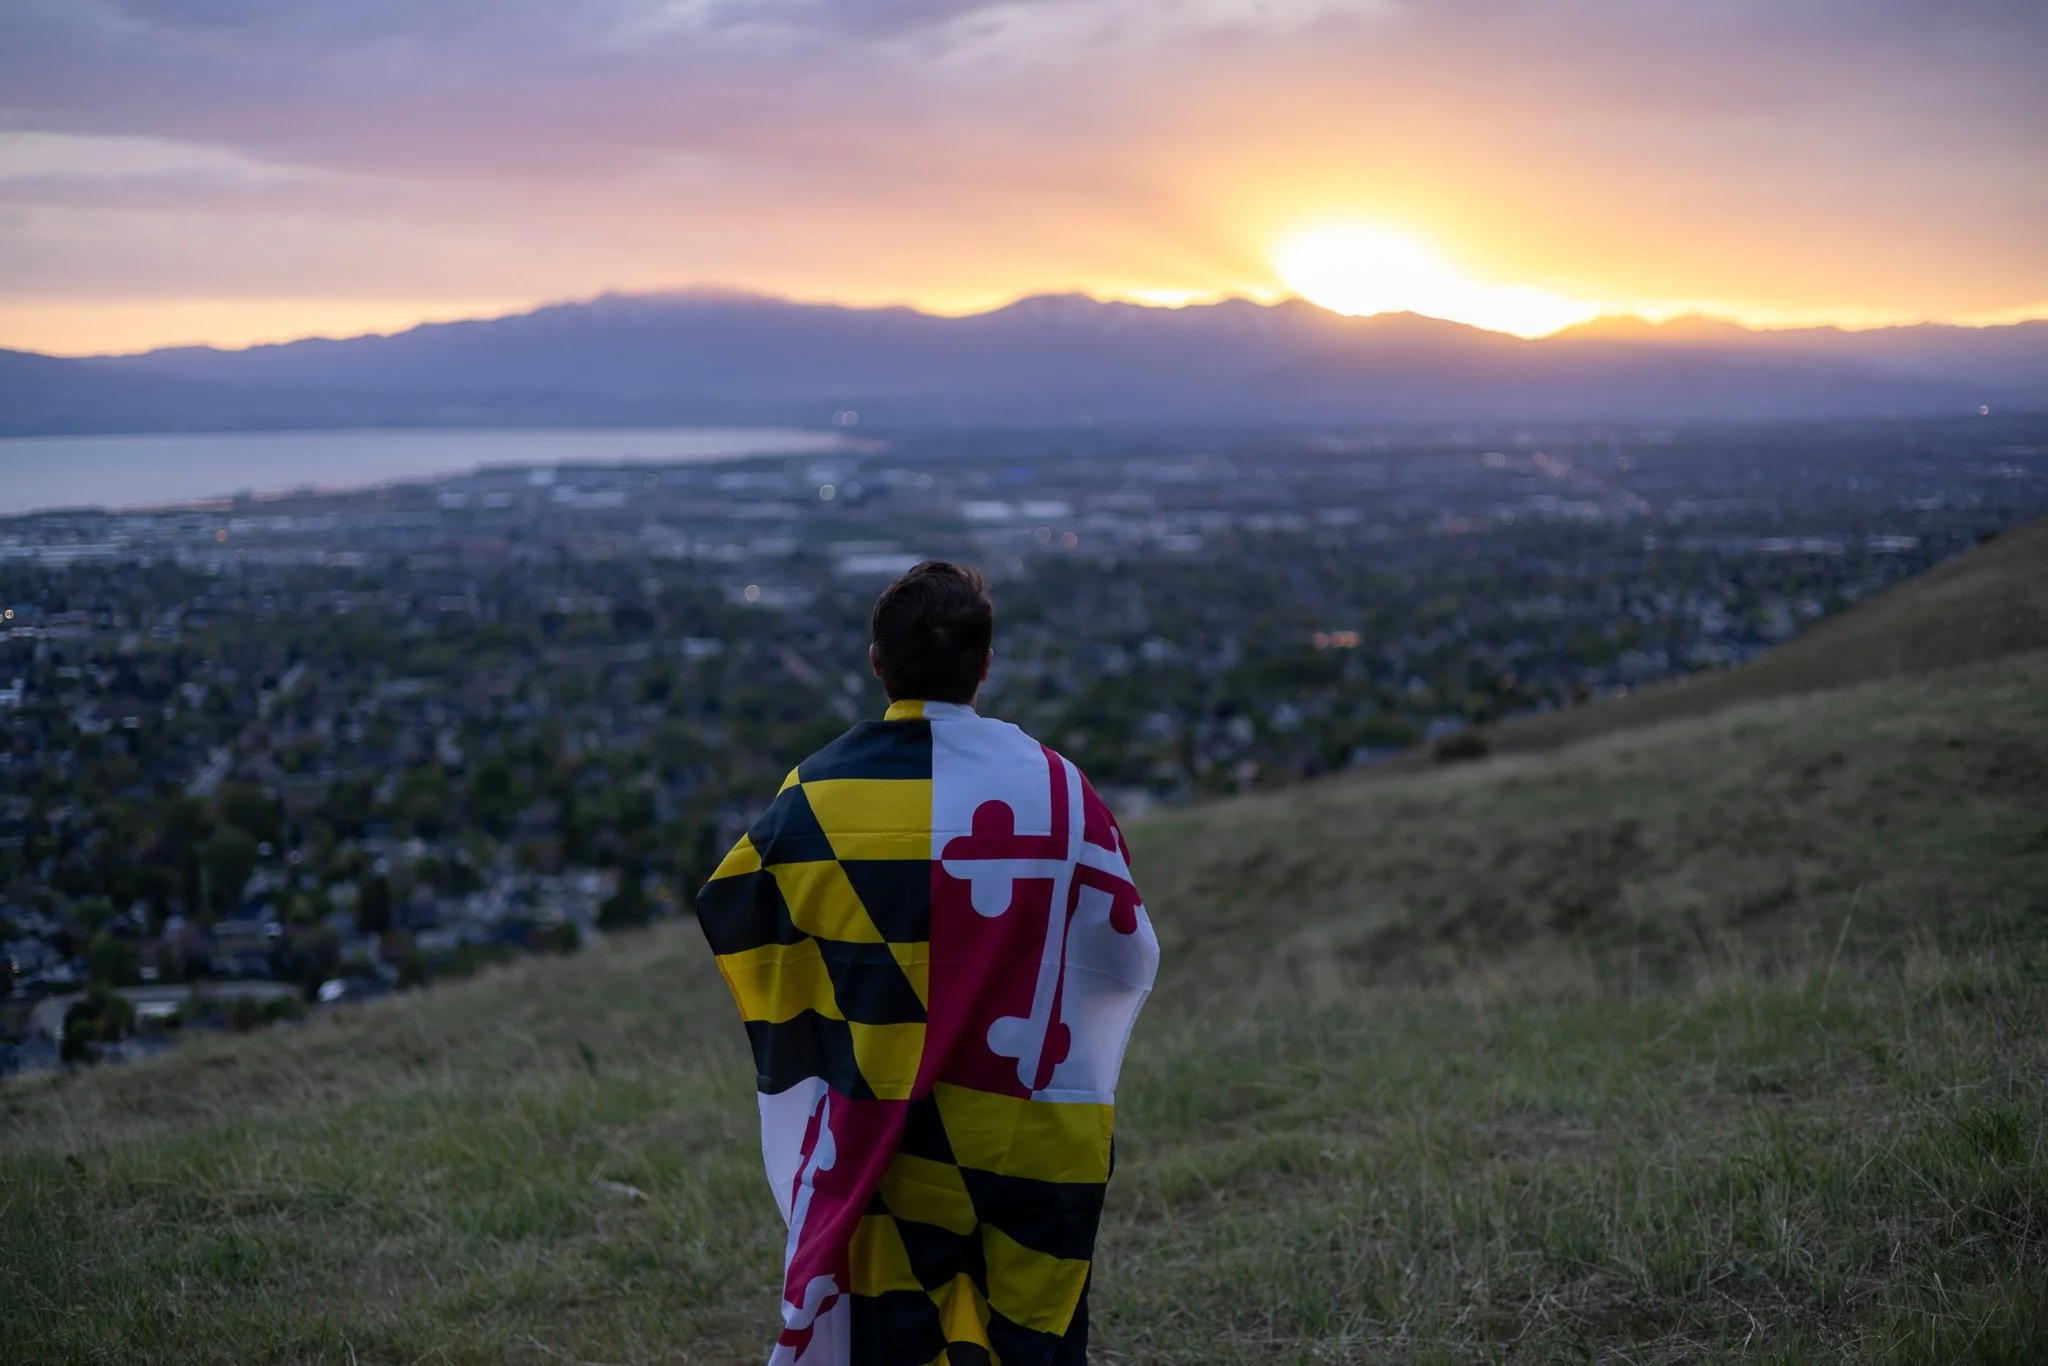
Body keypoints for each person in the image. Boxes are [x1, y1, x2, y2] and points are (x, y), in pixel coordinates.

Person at [697, 560, 1160, 1366]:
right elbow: (1126, 950)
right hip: (1037, 1130)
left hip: (887, 1128)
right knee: (1035, 1340)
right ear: (985, 666)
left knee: (897, 1342)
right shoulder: (1060, 789)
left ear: (876, 662)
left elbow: (737, 910)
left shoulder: (813, 797)